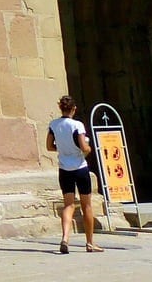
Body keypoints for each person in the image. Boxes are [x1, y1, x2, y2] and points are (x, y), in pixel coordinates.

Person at [46, 95, 103, 253]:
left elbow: (49, 146)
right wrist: (89, 148)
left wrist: (64, 150)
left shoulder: (53, 124)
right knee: (86, 205)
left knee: (68, 205)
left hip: (64, 169)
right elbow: (84, 148)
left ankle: (65, 238)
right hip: (80, 168)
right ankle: (90, 243)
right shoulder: (77, 125)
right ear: (74, 109)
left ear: (61, 108)